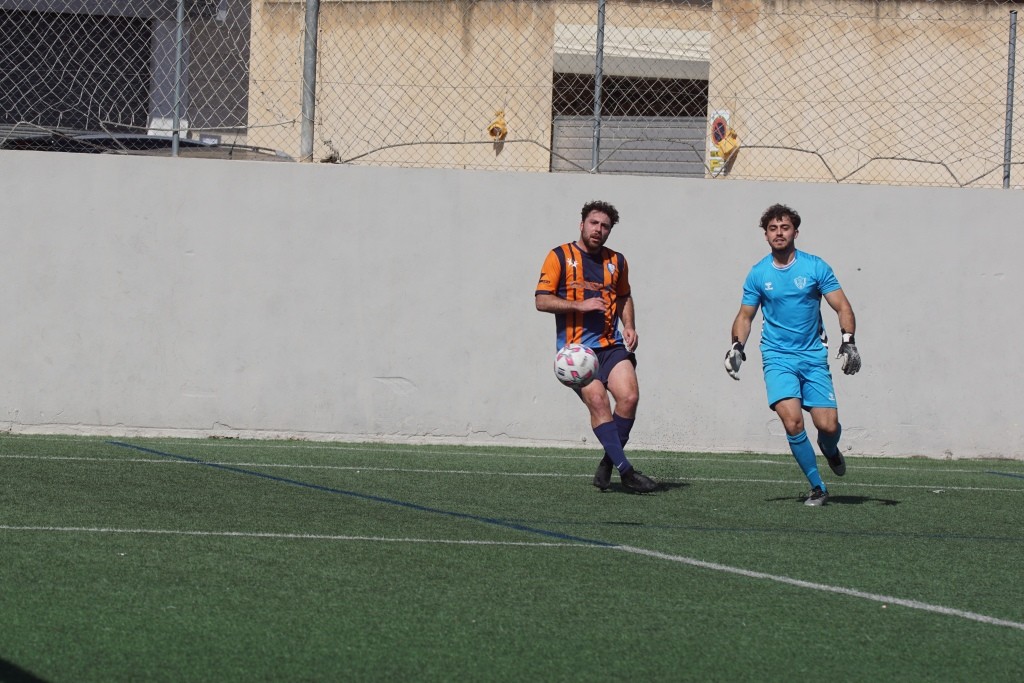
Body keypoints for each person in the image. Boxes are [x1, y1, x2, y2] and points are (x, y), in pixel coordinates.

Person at [725, 203, 861, 506]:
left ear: (795, 232)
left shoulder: (815, 267)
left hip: (813, 357)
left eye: (784, 227)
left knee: (828, 427)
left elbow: (842, 306)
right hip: (777, 357)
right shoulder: (758, 273)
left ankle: (830, 449)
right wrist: (736, 346)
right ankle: (817, 486)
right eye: (772, 228)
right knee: (793, 423)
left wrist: (848, 341)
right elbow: (745, 316)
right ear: (765, 235)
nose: (779, 233)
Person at [535, 200, 658, 493]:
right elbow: (541, 300)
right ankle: (626, 472)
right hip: (577, 354)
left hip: (611, 345)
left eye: (605, 226)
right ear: (582, 224)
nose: (598, 230)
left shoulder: (617, 261)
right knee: (600, 402)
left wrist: (629, 325)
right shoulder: (559, 256)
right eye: (593, 223)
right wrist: (580, 305)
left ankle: (608, 462)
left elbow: (624, 296)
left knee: (629, 397)